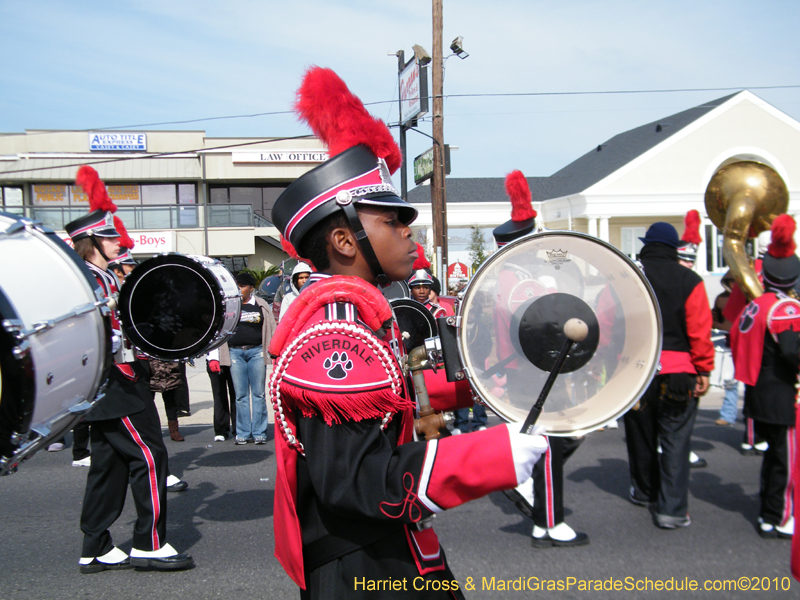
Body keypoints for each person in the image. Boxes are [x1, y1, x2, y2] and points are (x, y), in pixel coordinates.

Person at [268, 66, 548, 598]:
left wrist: (493, 380)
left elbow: (390, 399)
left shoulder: (358, 313)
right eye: (390, 218)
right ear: (346, 242)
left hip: (384, 553)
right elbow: (353, 481)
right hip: (360, 568)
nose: (407, 228)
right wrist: (489, 459)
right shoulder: (338, 327)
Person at [66, 166, 192, 573]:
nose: (118, 242)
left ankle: (95, 545)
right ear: (91, 242)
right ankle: (149, 544)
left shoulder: (100, 277)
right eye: (109, 237)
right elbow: (96, 334)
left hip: (109, 383)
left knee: (109, 466)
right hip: (115, 383)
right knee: (150, 459)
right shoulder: (90, 279)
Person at [624, 221, 714, 529]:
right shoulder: (690, 279)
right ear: (674, 249)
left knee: (640, 435)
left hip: (637, 372)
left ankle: (644, 492)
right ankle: (672, 510)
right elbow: (699, 331)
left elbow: (612, 326)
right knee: (676, 440)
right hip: (679, 371)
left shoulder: (630, 277)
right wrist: (704, 368)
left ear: (647, 245)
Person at [730, 214, 799, 539]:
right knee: (786, 460)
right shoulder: (787, 308)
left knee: (773, 457)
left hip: (759, 390)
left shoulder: (756, 305)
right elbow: (791, 351)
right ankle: (780, 515)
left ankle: (768, 513)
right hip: (783, 392)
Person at [212, 271, 275, 445]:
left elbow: (272, 328)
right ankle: (243, 432)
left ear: (251, 288)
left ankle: (259, 432)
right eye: (237, 286)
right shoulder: (229, 305)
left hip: (256, 352)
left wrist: (273, 351)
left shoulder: (261, 305)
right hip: (235, 352)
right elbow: (218, 329)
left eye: (242, 286)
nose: (239, 289)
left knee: (258, 394)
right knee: (240, 395)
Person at [206, 354, 237, 442]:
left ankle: (238, 429)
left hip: (233, 356)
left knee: (236, 396)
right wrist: (213, 357)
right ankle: (221, 430)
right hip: (214, 358)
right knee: (219, 395)